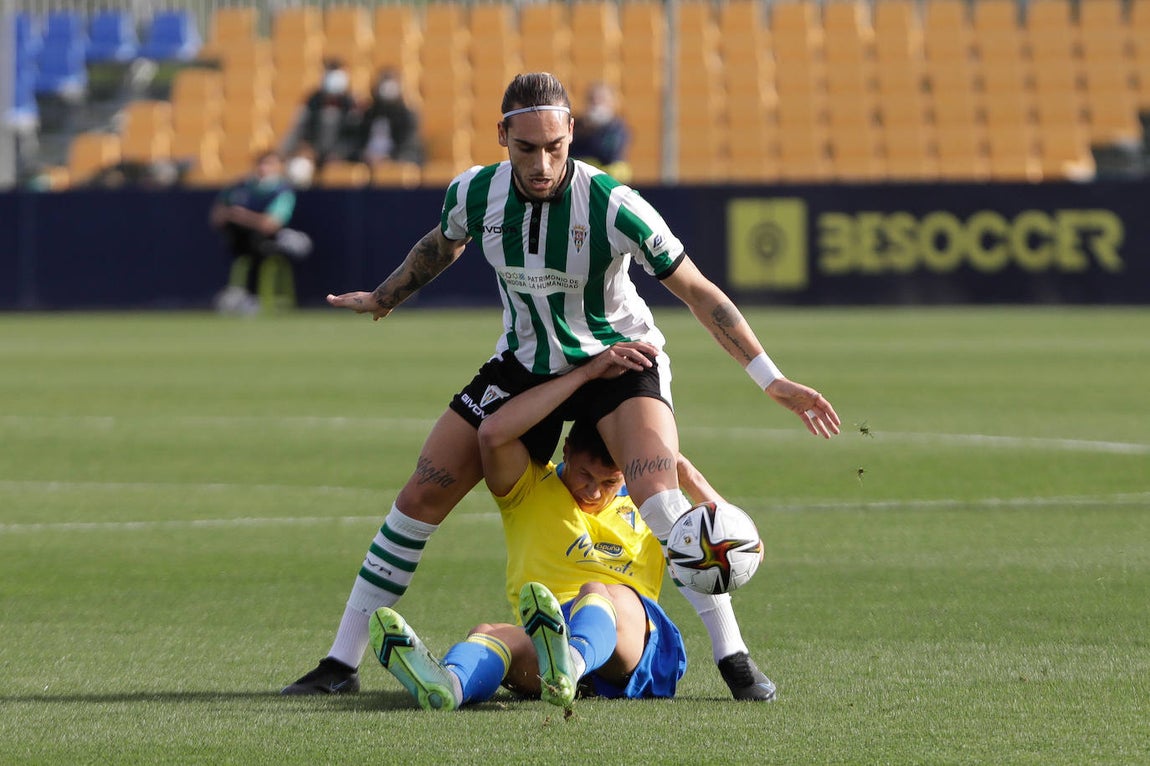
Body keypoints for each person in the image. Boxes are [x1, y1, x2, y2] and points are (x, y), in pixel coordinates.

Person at [283, 72, 840, 700]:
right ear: (503, 137)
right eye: (527, 149)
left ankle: (734, 659)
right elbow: (443, 244)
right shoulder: (473, 192)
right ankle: (340, 662)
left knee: (659, 498)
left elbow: (698, 290)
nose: (544, 163)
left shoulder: (614, 204)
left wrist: (771, 379)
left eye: (556, 146)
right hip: (524, 364)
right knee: (420, 496)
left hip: (618, 359)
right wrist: (386, 296)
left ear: (572, 132)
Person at [370, 341, 694, 710]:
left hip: (632, 647)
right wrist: (584, 373)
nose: (593, 490)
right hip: (550, 639)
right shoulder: (531, 487)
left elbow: (734, 545)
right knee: (489, 634)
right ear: (566, 450)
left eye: (608, 482)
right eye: (585, 474)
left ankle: (570, 661)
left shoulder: (648, 499)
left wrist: (689, 475)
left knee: (600, 590)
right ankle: (449, 685)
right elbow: (492, 433)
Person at [208, 150, 302, 314]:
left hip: (266, 242)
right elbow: (218, 216)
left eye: (269, 164)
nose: (264, 168)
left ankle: (250, 297)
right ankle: (237, 293)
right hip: (238, 241)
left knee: (258, 247)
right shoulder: (239, 187)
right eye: (262, 163)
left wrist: (243, 216)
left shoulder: (281, 191)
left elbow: (271, 224)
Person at [282, 58, 359, 168]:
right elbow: (298, 129)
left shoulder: (350, 103)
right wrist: (304, 148)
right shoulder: (313, 101)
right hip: (314, 154)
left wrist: (339, 153)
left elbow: (354, 137)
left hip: (343, 157)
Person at [353, 68, 425, 166]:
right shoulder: (369, 114)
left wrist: (389, 157)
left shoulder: (406, 115)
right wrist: (364, 155)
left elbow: (408, 144)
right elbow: (358, 140)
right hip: (368, 161)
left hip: (395, 161)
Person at [569, 81, 631, 182]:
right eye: (592, 100)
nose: (596, 104)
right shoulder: (576, 125)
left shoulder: (617, 128)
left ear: (611, 102)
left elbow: (610, 155)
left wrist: (593, 133)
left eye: (601, 100)